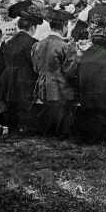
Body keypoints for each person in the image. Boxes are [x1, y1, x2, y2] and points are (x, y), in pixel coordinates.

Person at [31, 9, 78, 137]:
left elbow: (36, 68)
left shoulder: (37, 45)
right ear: (64, 26)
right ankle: (62, 133)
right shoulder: (65, 46)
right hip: (61, 88)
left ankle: (50, 133)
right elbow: (70, 71)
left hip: (42, 87)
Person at [0, 1, 40, 133]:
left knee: (11, 107)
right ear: (32, 28)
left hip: (7, 77)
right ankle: (25, 130)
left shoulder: (6, 41)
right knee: (25, 108)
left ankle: (12, 130)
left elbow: (1, 61)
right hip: (24, 78)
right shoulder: (33, 43)